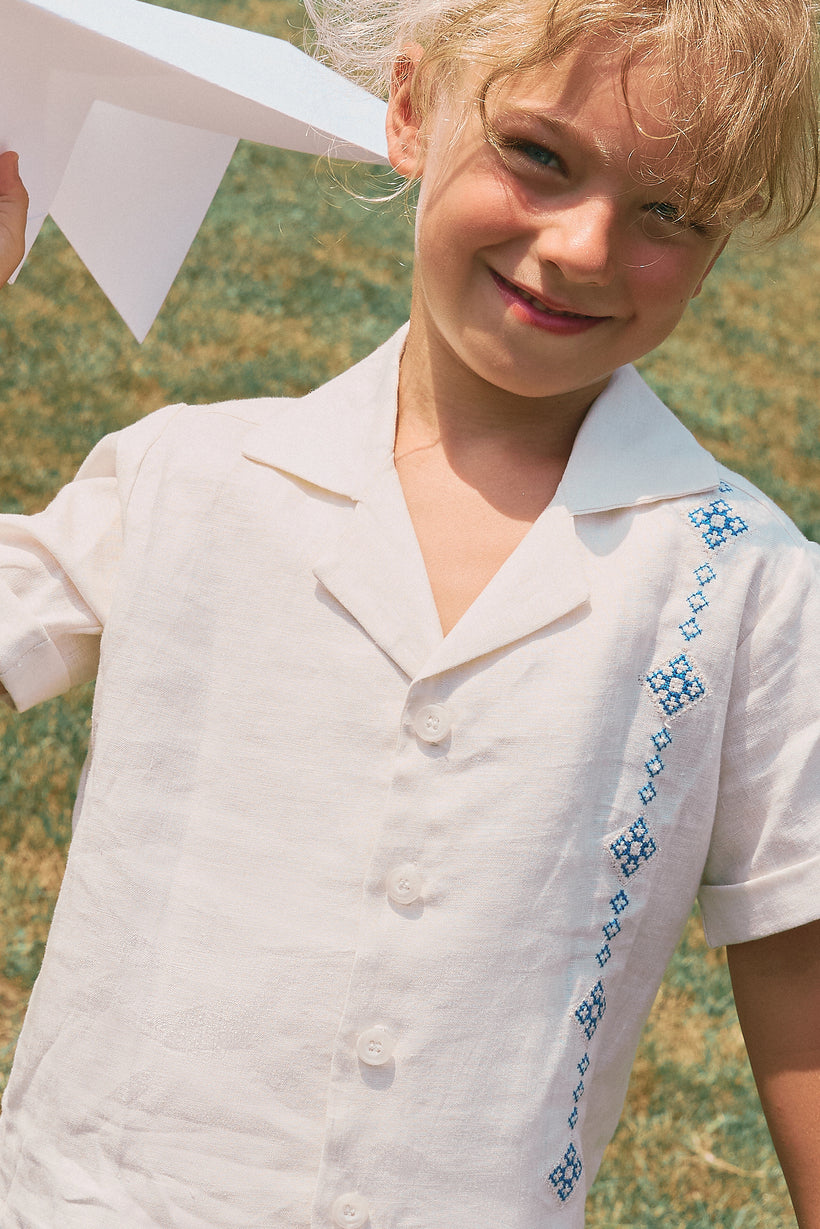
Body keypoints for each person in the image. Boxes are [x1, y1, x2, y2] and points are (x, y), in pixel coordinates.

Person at [0, 0, 818, 1221]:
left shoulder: (745, 583)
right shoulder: (186, 476)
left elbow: (796, 961)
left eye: (673, 211)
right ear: (408, 108)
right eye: (539, 155)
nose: (586, 245)